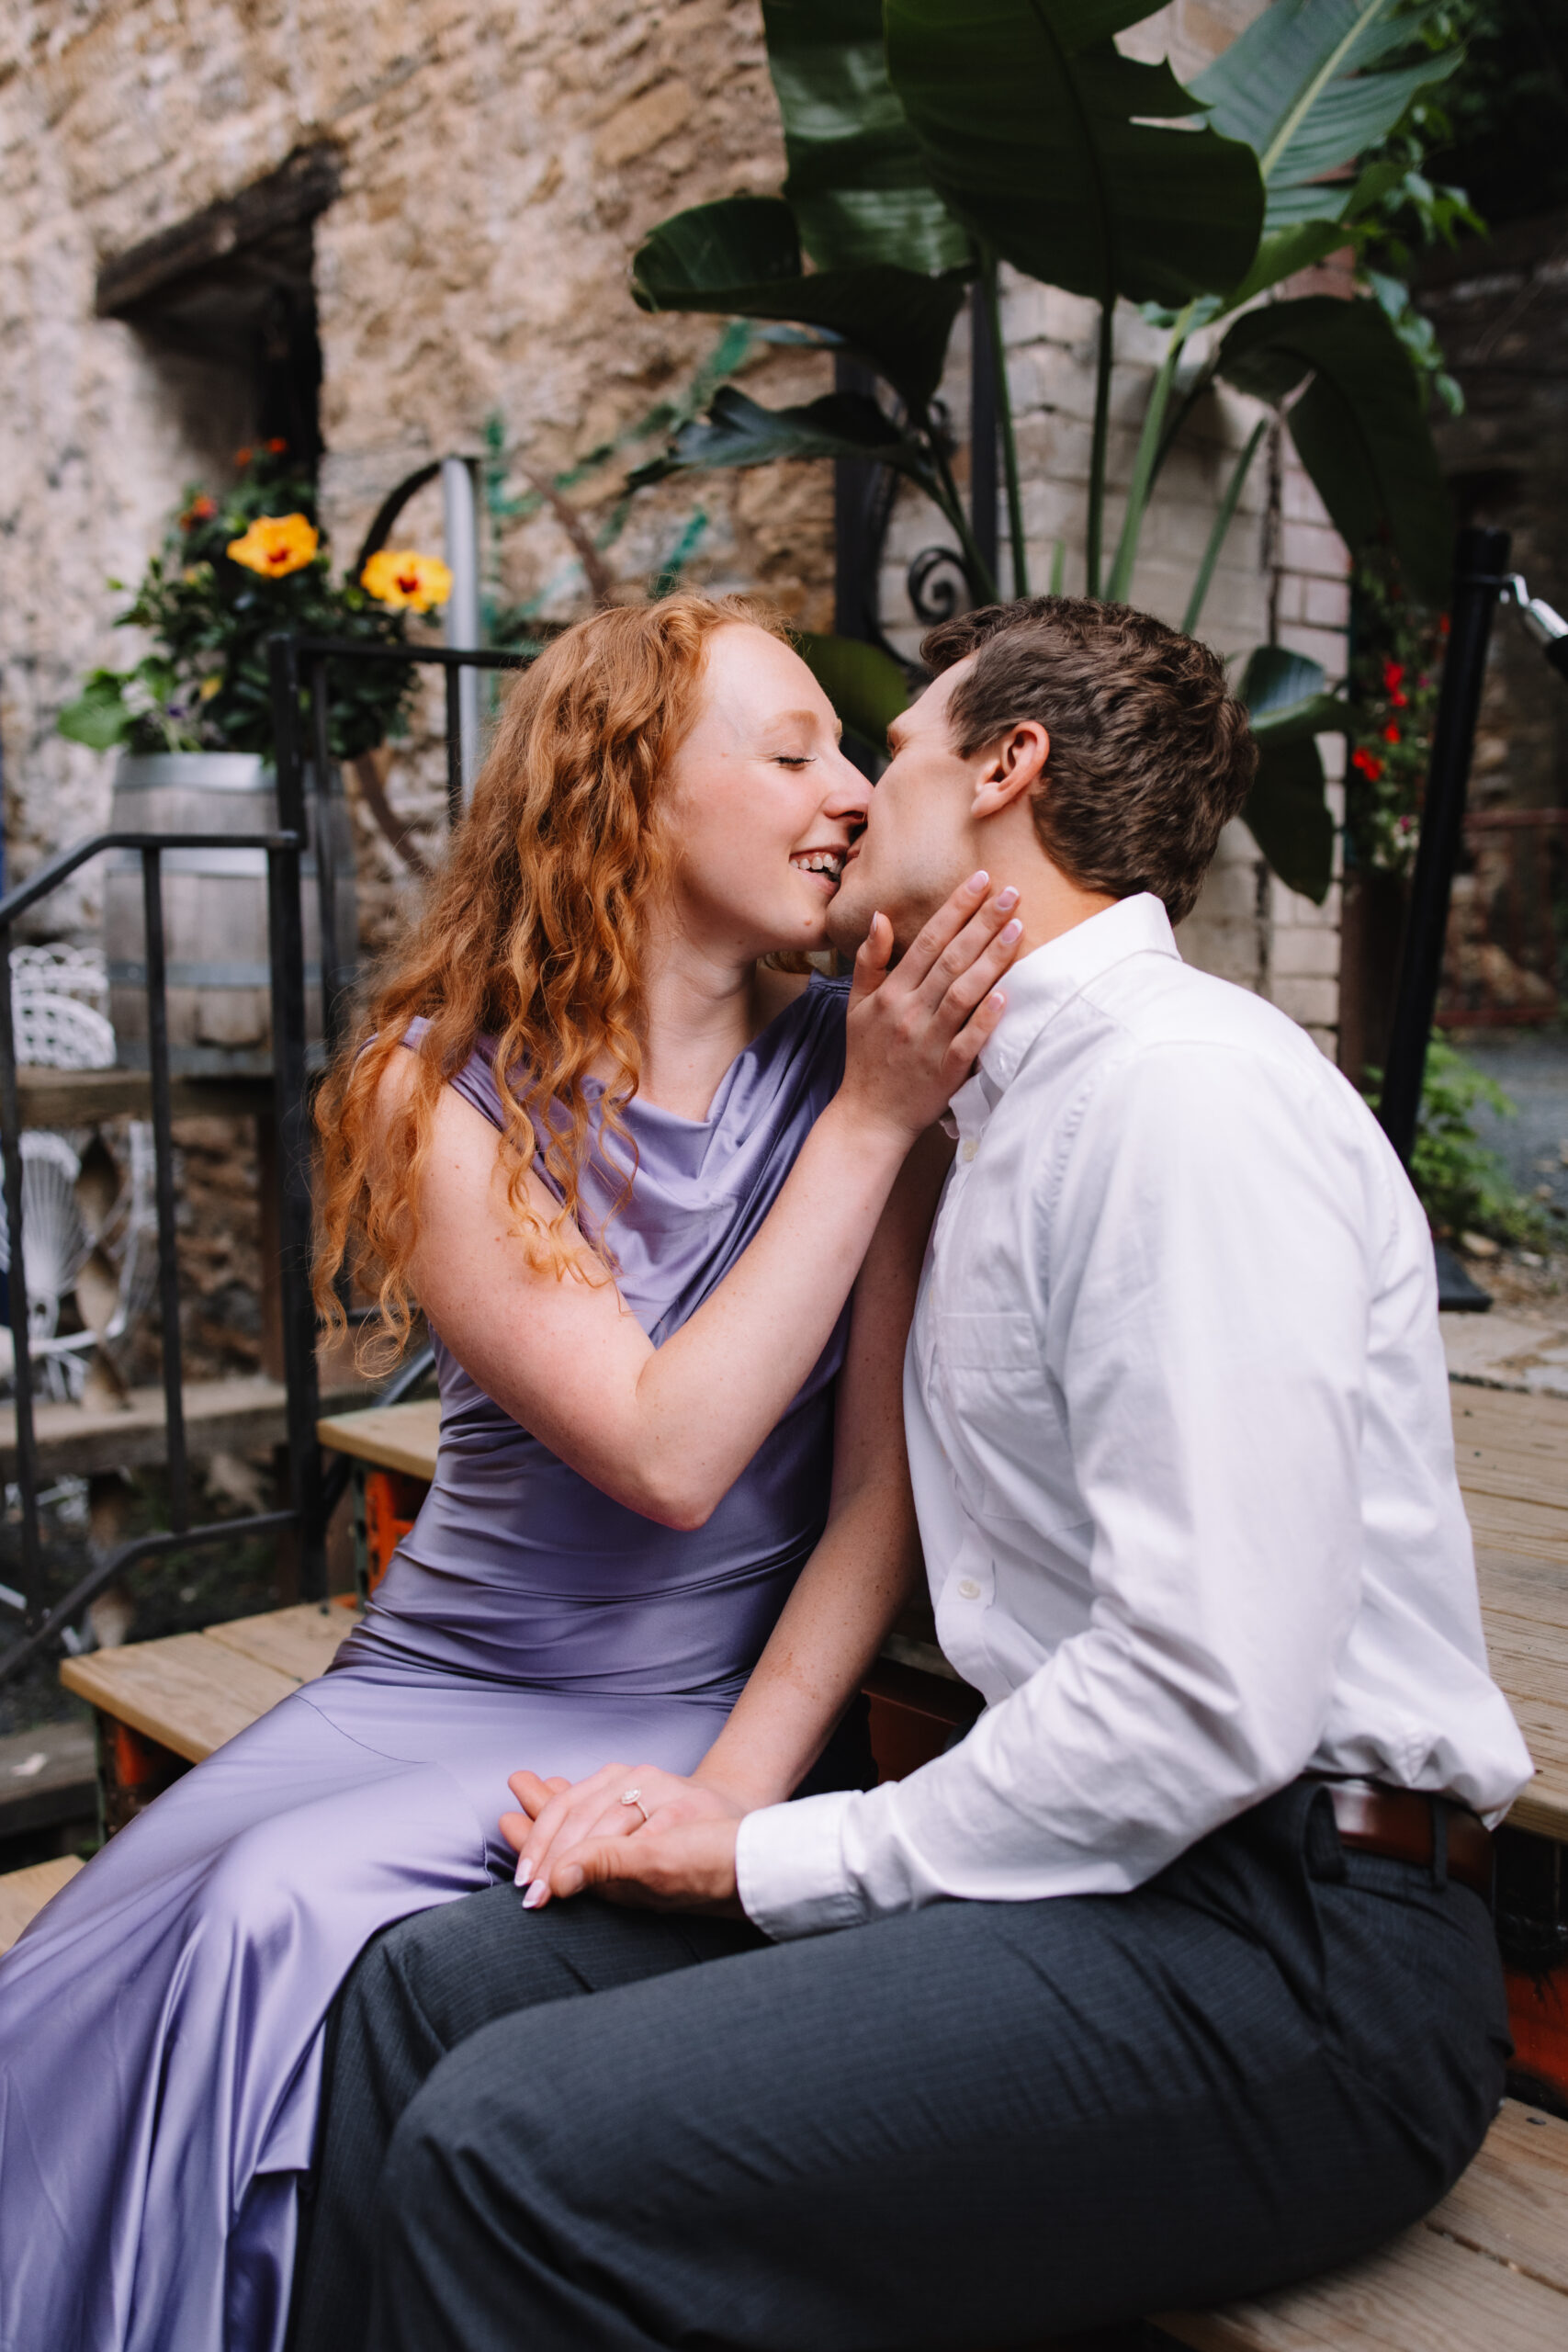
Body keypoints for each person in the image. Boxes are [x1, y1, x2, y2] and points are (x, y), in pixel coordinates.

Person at [292, 596, 1534, 2352]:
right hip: (1097, 1873)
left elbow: (1206, 1695)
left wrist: (778, 1851)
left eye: (892, 746)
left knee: (517, 2146)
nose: (859, 795)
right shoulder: (990, 1107)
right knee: (434, 1989)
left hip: (1300, 1947)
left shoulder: (1185, 1100)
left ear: (1008, 769)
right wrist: (748, 1803)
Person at [0, 593, 1022, 2352]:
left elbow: (875, 1502)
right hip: (435, 1678)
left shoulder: (862, 1076)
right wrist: (869, 1120)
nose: (851, 790)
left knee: (264, 1912)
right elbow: (662, 1448)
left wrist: (735, 1790)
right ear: (624, 792)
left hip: (682, 1702)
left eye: (852, 752)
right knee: (74, 1982)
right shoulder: (445, 1088)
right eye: (792, 754)